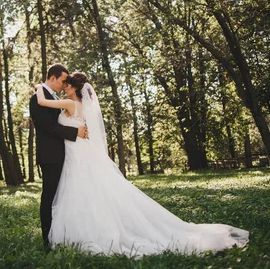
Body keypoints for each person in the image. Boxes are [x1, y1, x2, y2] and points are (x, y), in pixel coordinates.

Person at [34, 71, 249, 257]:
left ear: (73, 88)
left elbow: (43, 102)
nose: (64, 87)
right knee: (87, 194)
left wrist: (38, 87)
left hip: (77, 155)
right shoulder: (80, 105)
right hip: (77, 153)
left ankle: (83, 234)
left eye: (66, 84)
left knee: (82, 194)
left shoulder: (71, 103)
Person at [29, 64, 88, 250]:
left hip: (67, 155)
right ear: (53, 78)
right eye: (63, 80)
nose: (64, 85)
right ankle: (47, 239)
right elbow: (49, 127)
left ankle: (63, 234)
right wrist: (75, 132)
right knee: (49, 196)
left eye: (67, 82)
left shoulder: (56, 98)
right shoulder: (36, 98)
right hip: (51, 156)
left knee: (63, 197)